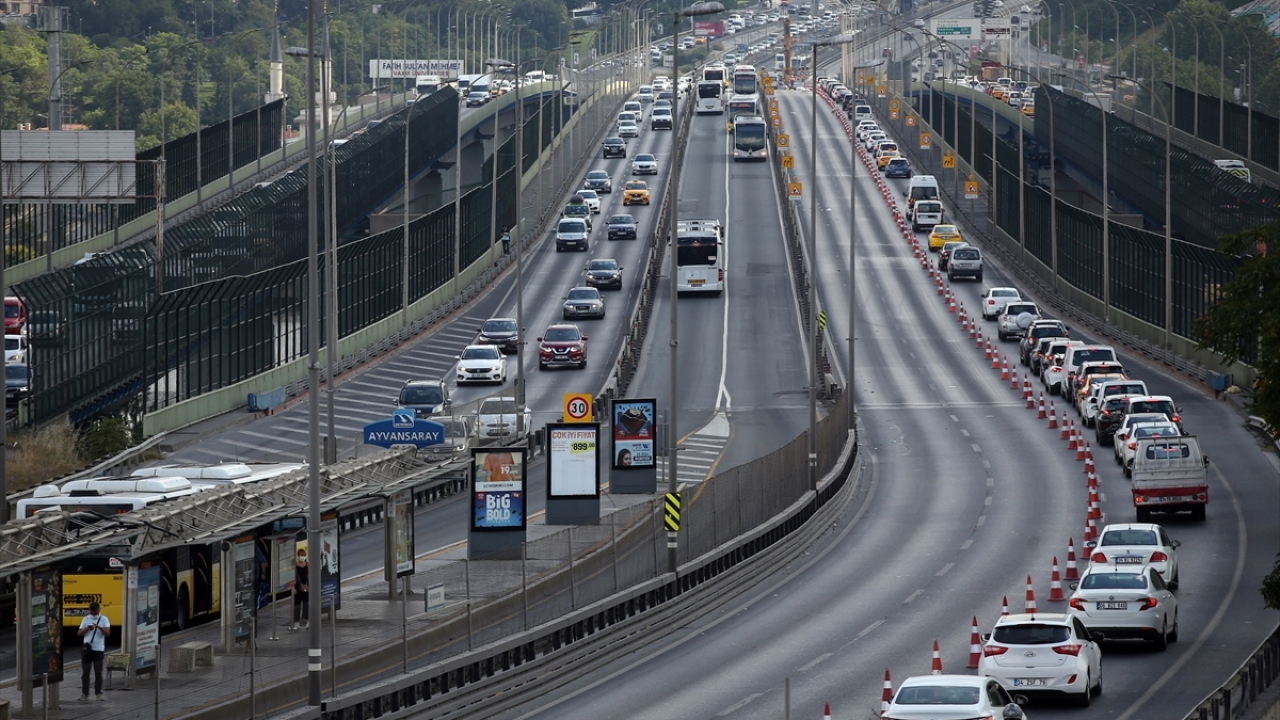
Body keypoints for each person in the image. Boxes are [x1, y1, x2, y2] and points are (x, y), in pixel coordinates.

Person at [78, 601, 110, 701]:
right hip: (87, 649)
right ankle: (84, 693)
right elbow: (79, 633)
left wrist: (100, 628)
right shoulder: (86, 619)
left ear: (99, 611)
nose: (93, 614)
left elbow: (107, 633)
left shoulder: (104, 619)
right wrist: (87, 628)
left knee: (98, 672)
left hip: (98, 649)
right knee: (85, 673)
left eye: (95, 613)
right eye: (92, 612)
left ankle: (98, 693)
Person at [291, 548, 309, 631]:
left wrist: (308, 586)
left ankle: (307, 620)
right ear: (298, 556)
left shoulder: (308, 565)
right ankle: (296, 622)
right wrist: (293, 587)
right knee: (297, 605)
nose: (303, 557)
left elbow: (309, 576)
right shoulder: (295, 566)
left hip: (306, 586)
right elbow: (292, 577)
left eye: (304, 555)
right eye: (301, 555)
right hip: (297, 587)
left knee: (306, 604)